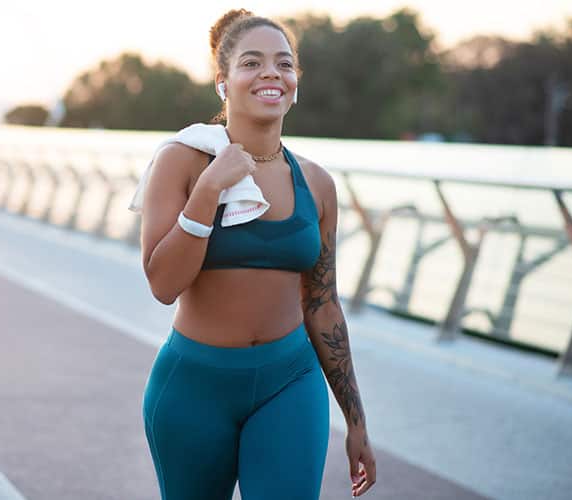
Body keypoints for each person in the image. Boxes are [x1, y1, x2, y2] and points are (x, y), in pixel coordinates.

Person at [137, 9, 376, 500]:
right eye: (252, 62)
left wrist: (356, 422)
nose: (271, 73)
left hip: (290, 381)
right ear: (223, 82)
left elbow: (323, 303)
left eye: (284, 64)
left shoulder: (317, 183)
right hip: (194, 388)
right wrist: (208, 189)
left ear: (295, 83)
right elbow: (162, 285)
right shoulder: (180, 161)